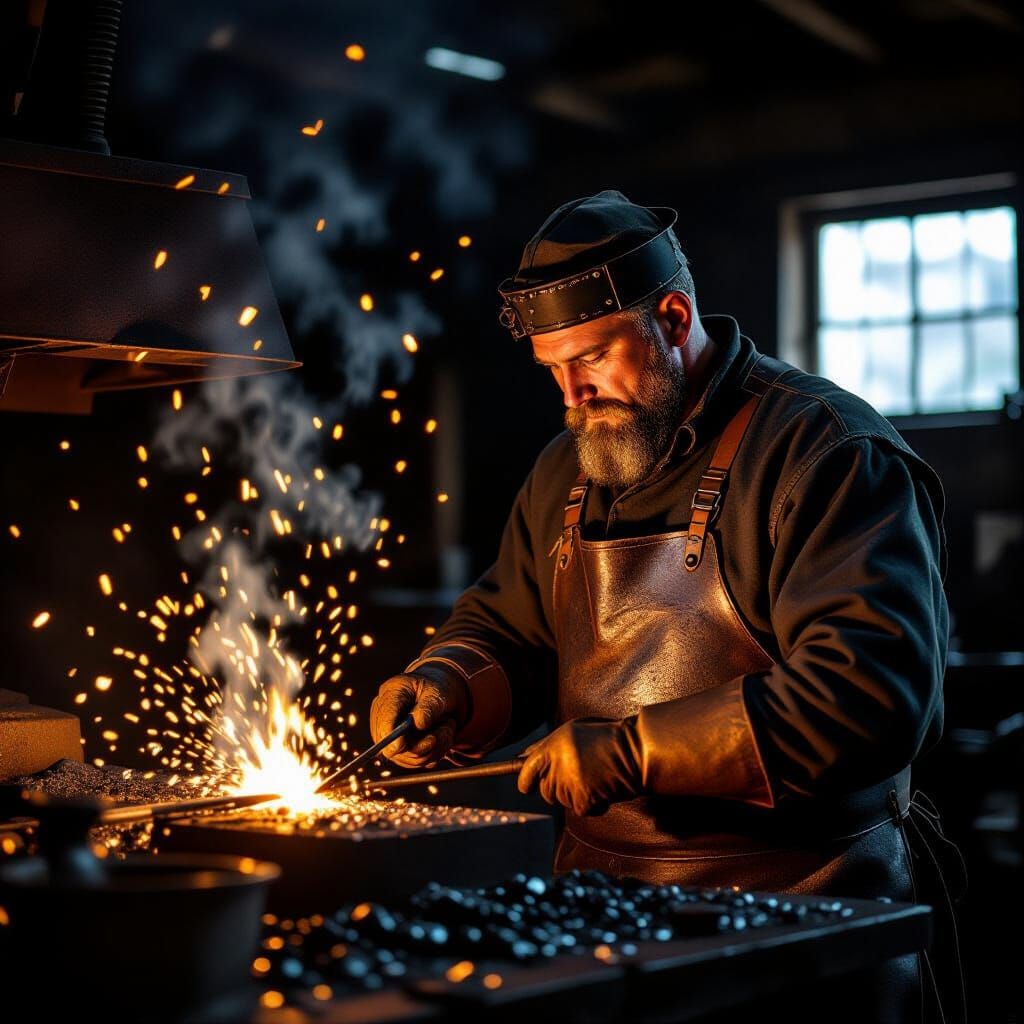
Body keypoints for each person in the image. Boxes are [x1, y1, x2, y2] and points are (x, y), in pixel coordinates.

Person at [370, 190, 963, 1022]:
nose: (572, 396)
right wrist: (450, 685)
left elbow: (870, 696)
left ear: (674, 318)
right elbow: (509, 625)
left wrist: (635, 752)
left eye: (592, 360)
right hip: (598, 915)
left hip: (805, 924)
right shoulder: (563, 471)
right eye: (553, 371)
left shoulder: (823, 452)